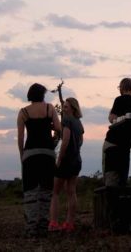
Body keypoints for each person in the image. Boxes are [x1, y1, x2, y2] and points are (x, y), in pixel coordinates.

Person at [17, 83, 62, 238]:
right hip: (48, 153)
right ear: (43, 94)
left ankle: (31, 227)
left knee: (30, 190)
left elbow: (21, 137)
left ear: (30, 95)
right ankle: (43, 225)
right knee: (46, 190)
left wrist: (22, 155)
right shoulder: (50, 108)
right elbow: (59, 129)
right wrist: (48, 126)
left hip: (30, 153)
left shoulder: (23, 112)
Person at [49, 97, 84, 232]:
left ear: (73, 108)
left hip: (66, 161)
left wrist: (59, 159)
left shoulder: (67, 121)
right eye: (63, 107)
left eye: (66, 107)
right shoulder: (79, 123)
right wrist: (75, 152)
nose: (64, 109)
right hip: (77, 160)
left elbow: (65, 141)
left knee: (55, 192)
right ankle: (69, 223)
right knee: (71, 192)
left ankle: (53, 223)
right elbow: (81, 141)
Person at [103, 77, 131, 186]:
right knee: (122, 179)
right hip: (126, 146)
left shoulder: (118, 100)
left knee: (110, 178)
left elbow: (112, 118)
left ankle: (110, 201)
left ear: (121, 87)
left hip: (112, 143)